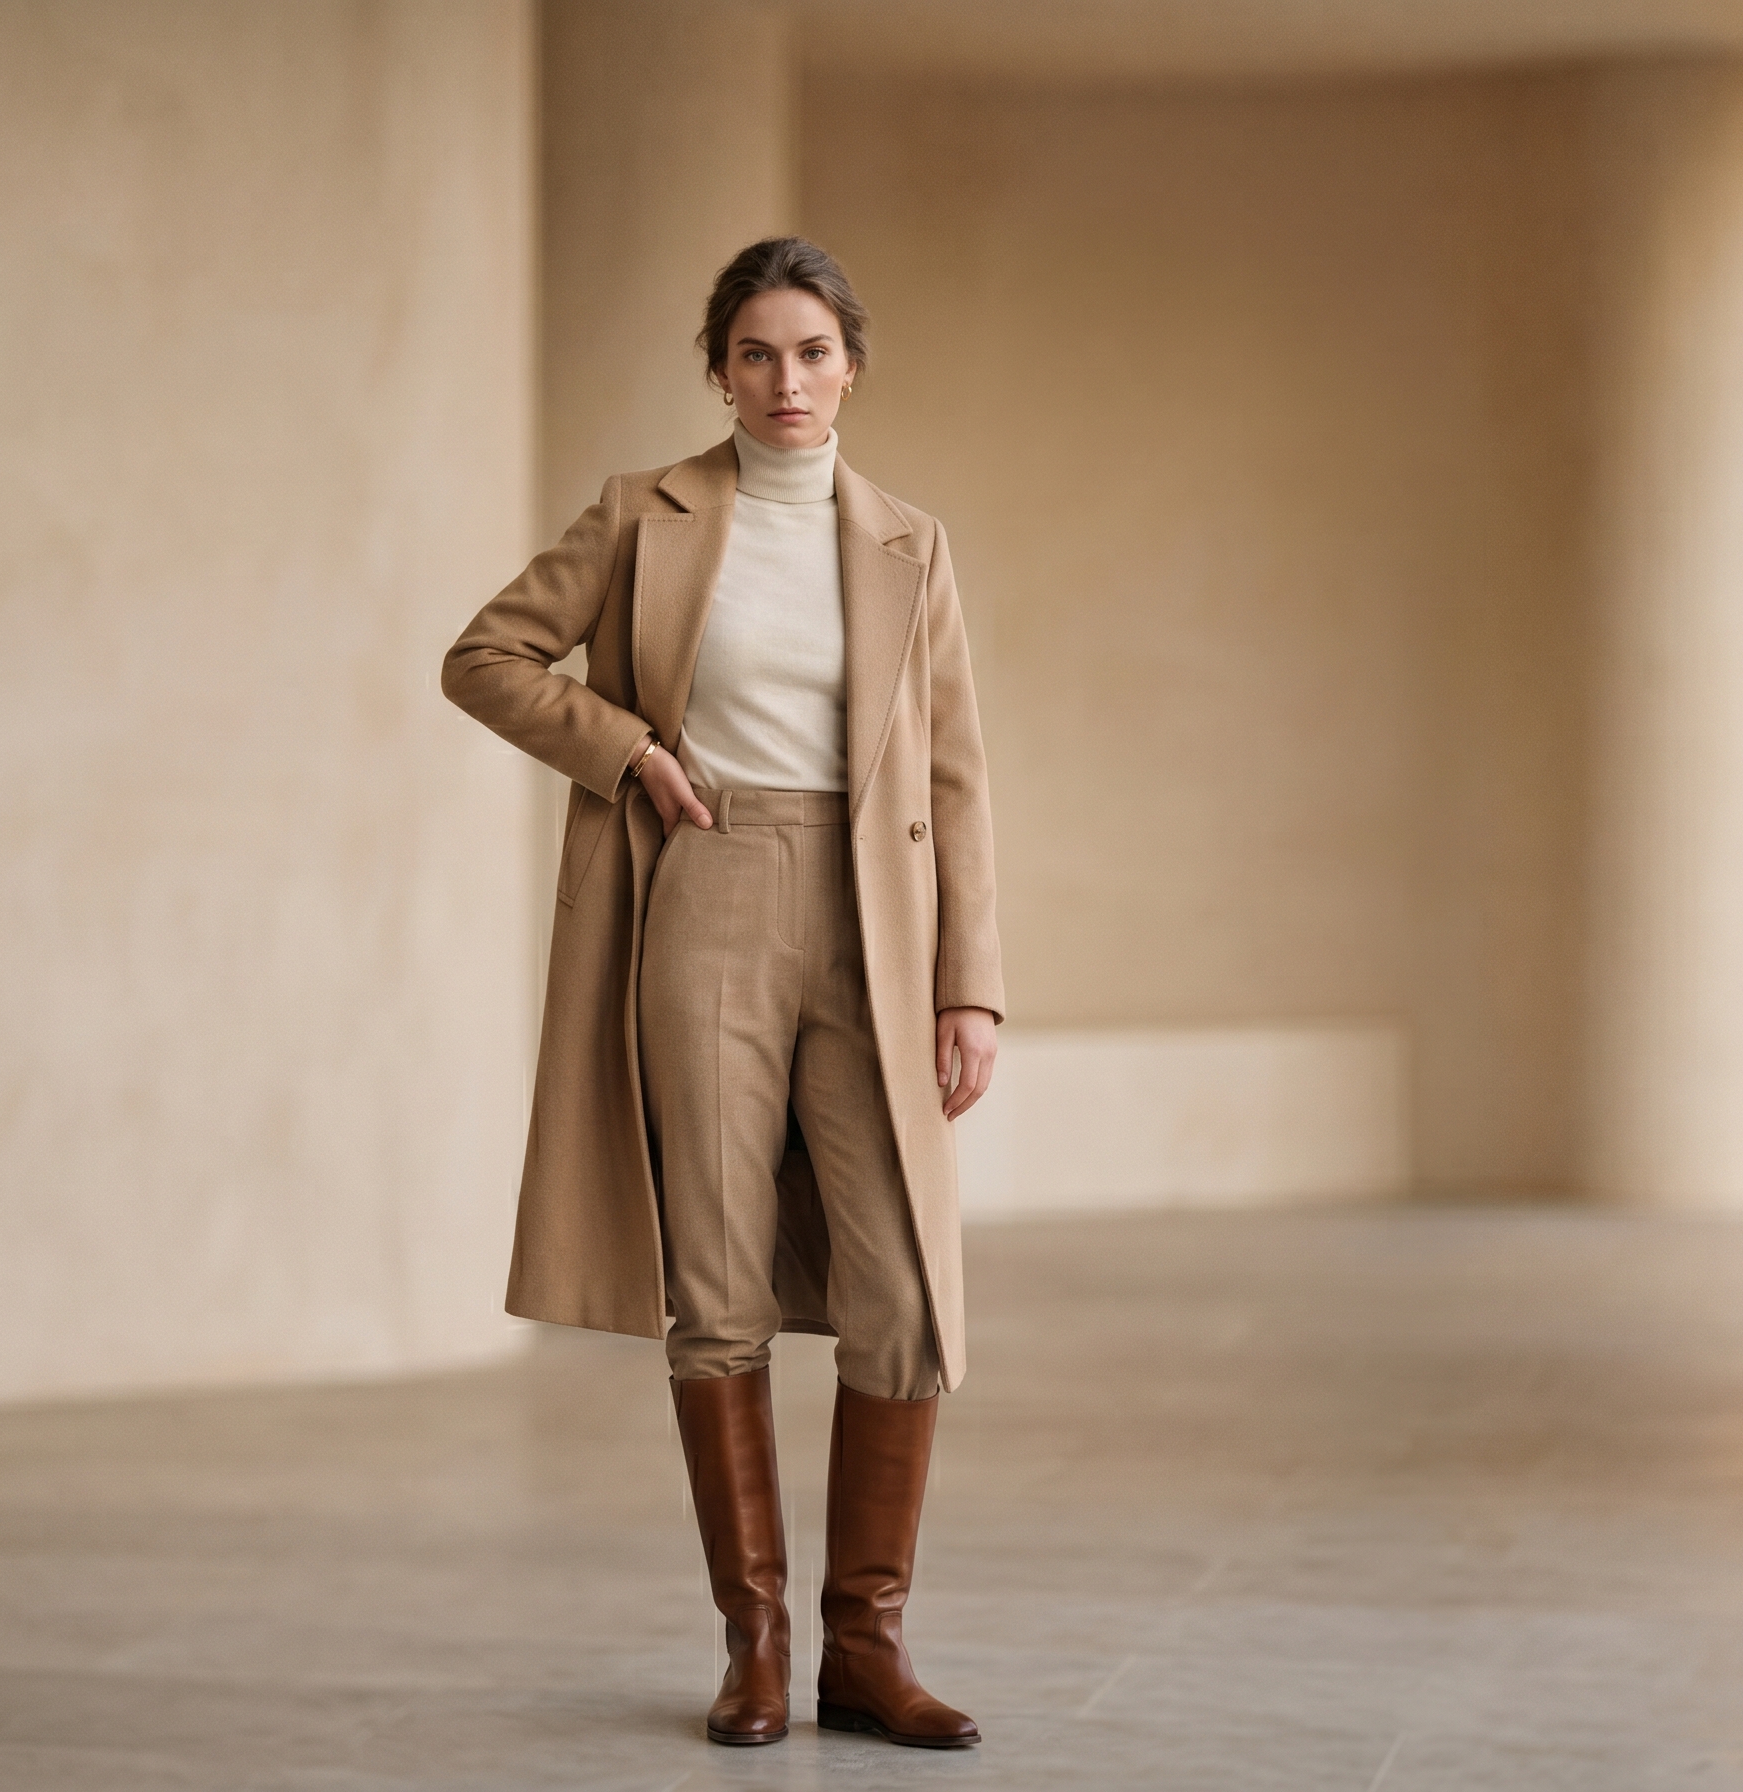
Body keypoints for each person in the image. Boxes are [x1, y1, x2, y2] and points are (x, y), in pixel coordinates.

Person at [441, 236, 1002, 1750]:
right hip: (708, 893)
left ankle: (867, 1650)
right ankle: (755, 1646)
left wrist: (971, 986)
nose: (786, 380)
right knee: (720, 1279)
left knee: (904, 1294)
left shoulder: (912, 545)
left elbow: (955, 775)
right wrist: (627, 749)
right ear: (720, 371)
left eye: (812, 352)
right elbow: (486, 657)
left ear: (851, 367)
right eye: (756, 353)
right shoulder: (648, 513)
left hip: (877, 923)